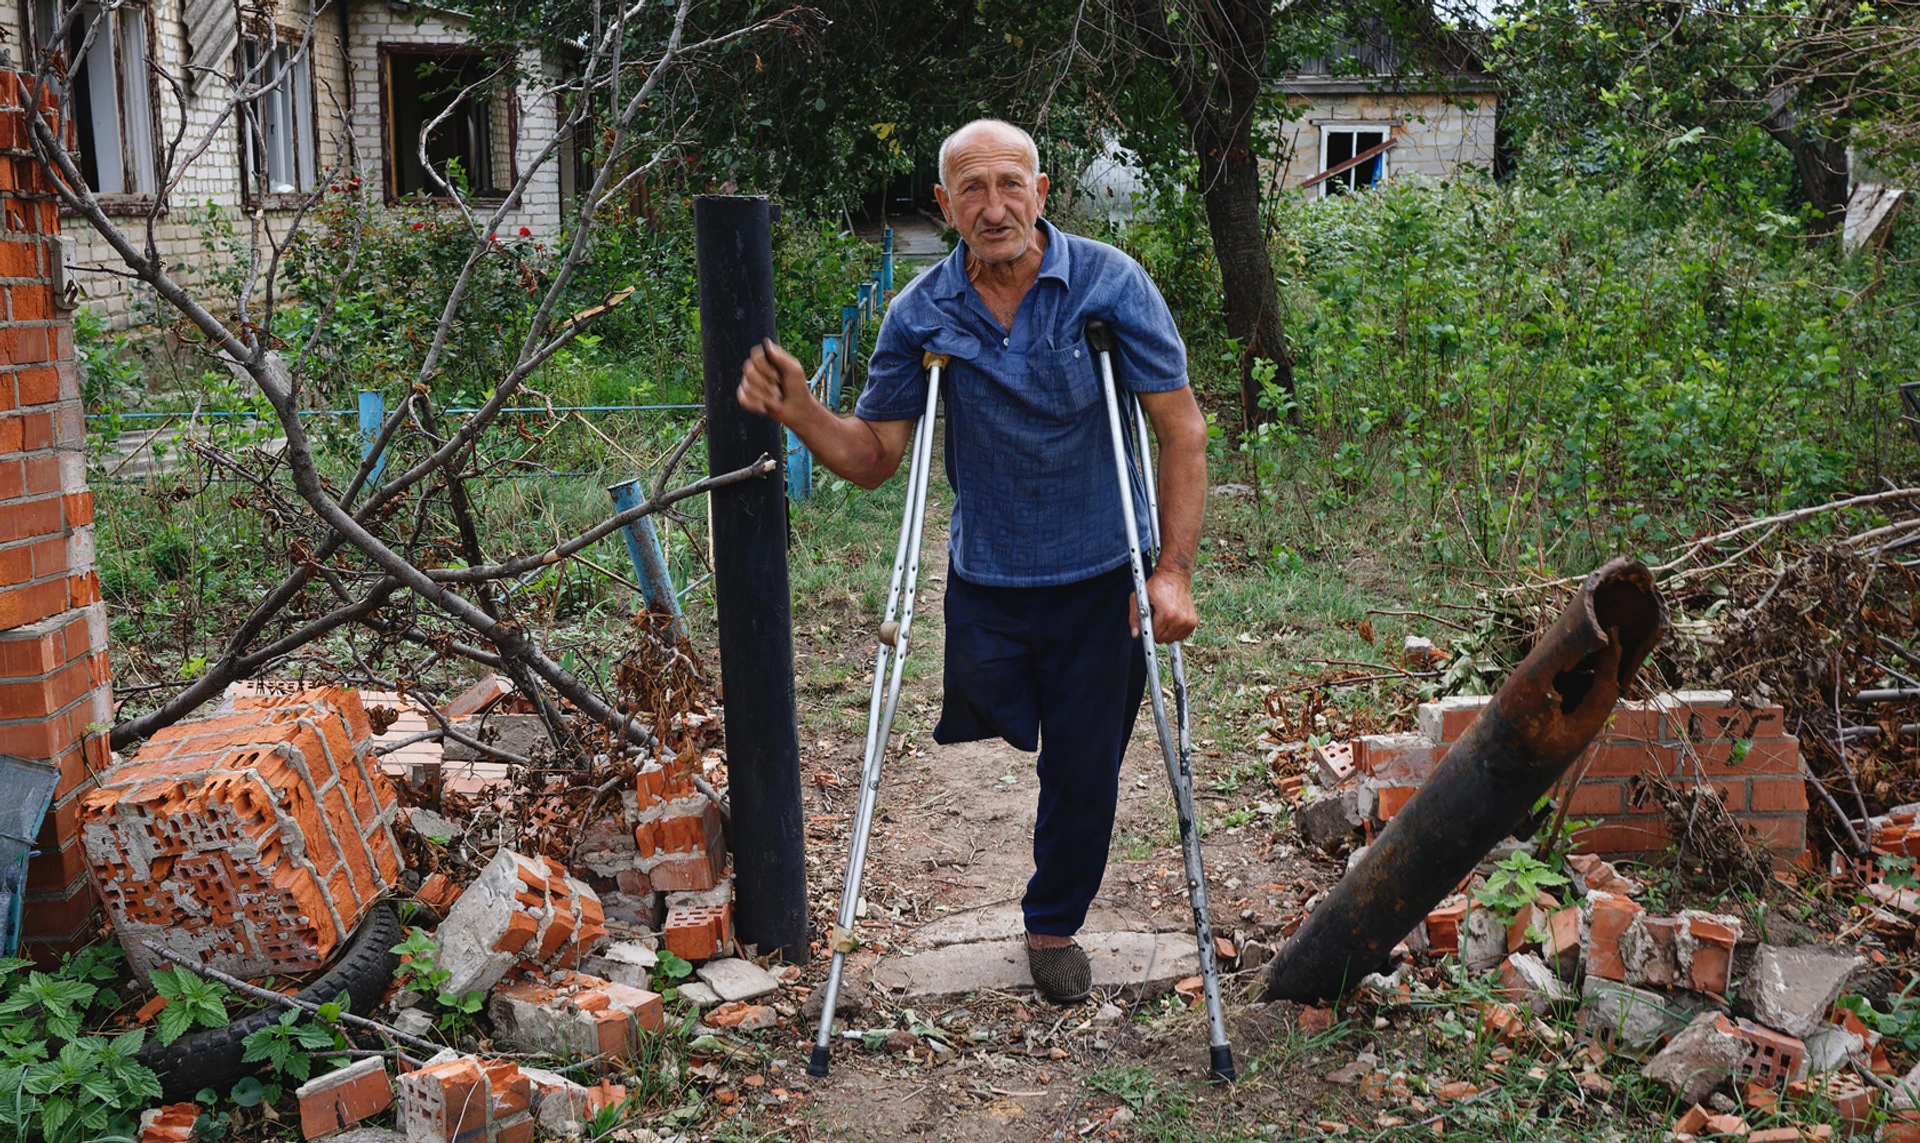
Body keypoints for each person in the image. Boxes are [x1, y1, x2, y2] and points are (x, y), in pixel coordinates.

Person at [737, 118, 1207, 1004]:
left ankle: (1052, 921)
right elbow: (877, 458)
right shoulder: (923, 309)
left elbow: (1179, 430)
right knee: (1003, 717)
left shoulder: (1111, 284)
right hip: (988, 575)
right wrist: (802, 411)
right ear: (945, 205)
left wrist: (1171, 570)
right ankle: (1047, 765)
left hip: (1103, 571)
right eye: (972, 191)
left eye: (1009, 185)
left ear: (1041, 191)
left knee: (1081, 764)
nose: (995, 207)